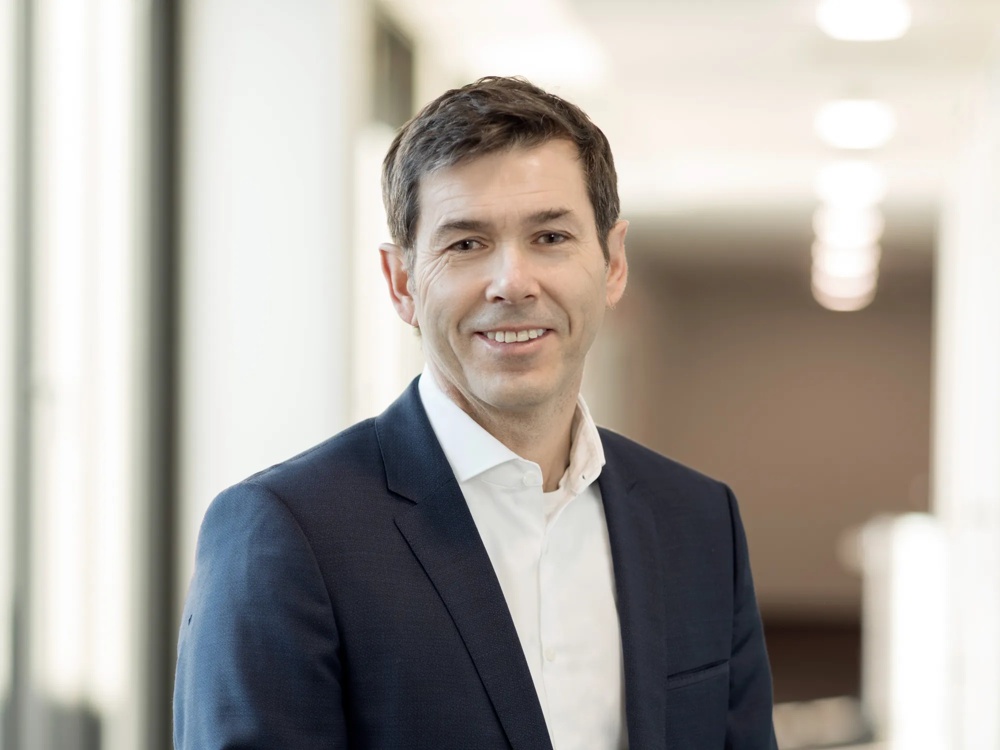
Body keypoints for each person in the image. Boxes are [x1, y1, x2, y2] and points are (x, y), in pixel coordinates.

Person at [173, 76, 777, 750]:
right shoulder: (287, 532)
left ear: (611, 262)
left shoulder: (698, 522)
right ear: (402, 281)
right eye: (466, 244)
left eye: (550, 236)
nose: (513, 282)